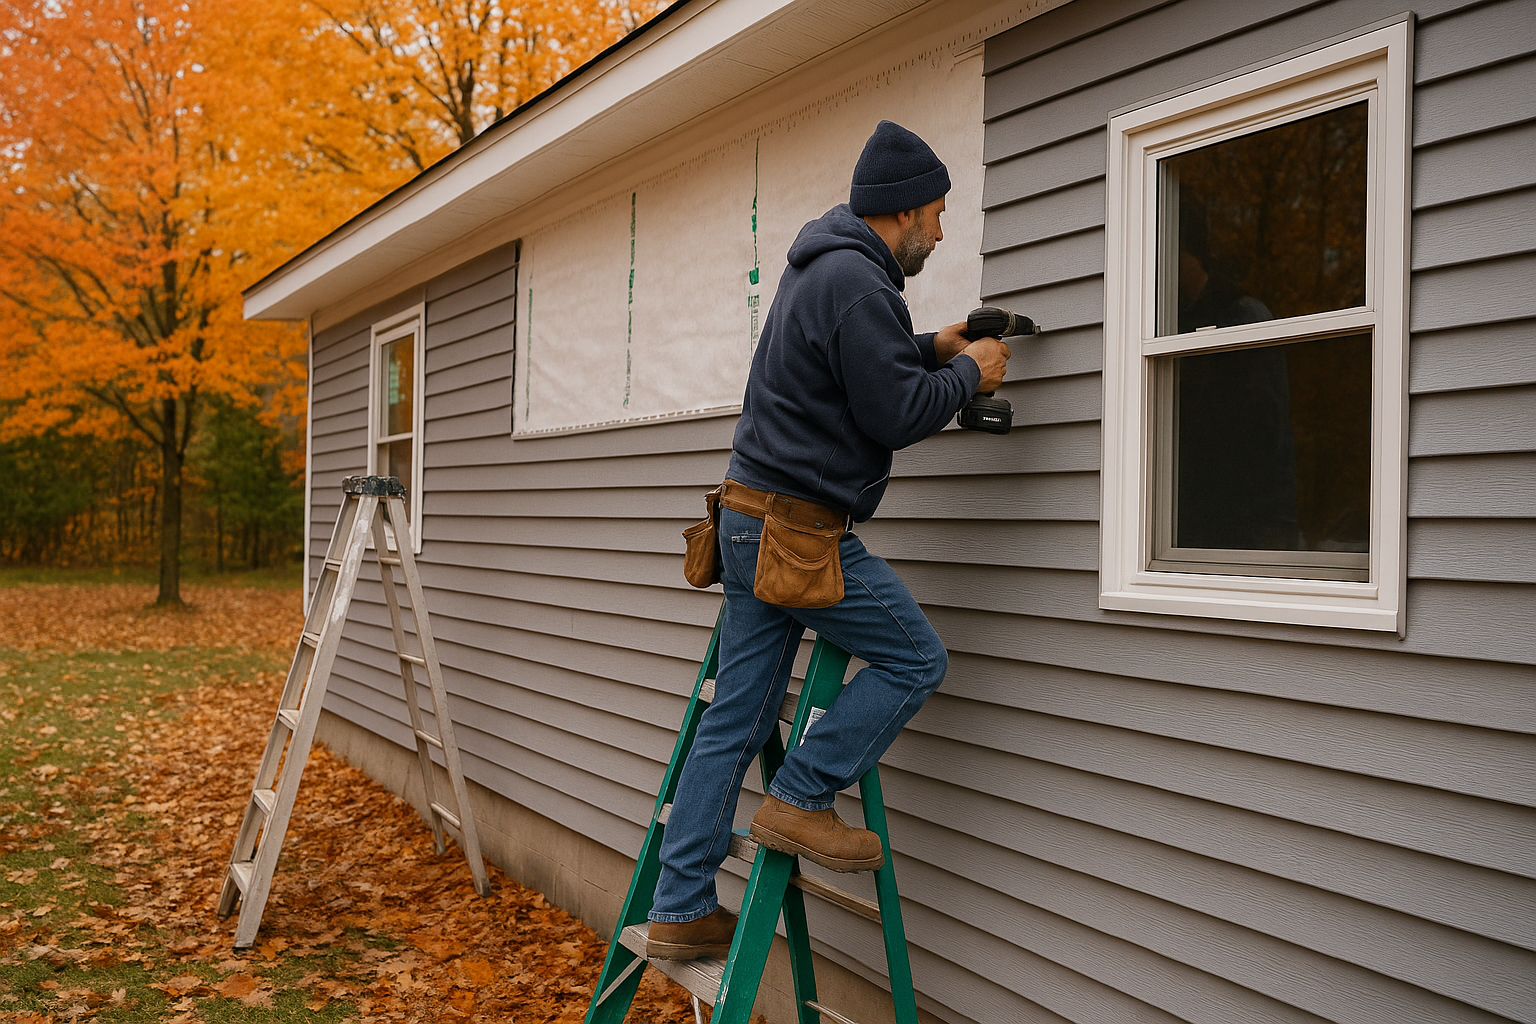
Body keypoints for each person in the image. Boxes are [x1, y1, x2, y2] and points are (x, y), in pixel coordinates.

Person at [645, 120, 1011, 960]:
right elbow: (894, 411)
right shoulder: (859, 284)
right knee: (917, 658)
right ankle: (803, 794)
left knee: (734, 720)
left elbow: (860, 370)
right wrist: (971, 373)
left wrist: (934, 346)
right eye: (940, 214)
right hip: (797, 531)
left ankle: (680, 903)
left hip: (747, 518)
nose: (943, 231)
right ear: (907, 211)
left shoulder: (825, 270)